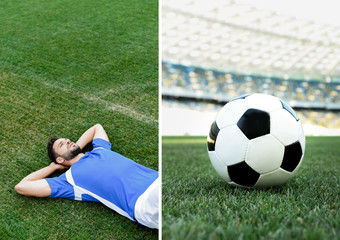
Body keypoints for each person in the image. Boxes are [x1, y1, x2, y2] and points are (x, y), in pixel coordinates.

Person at [14, 124, 159, 229]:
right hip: (143, 203)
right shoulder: (68, 181)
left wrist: (74, 147)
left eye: (67, 140)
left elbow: (97, 127)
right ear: (59, 159)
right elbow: (21, 186)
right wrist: (52, 167)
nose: (68, 141)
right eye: (62, 145)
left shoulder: (100, 149)